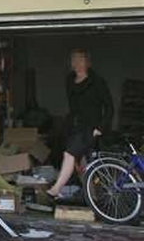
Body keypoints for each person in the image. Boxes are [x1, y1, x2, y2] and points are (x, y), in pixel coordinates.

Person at [47, 50, 112, 198]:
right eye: (73, 60)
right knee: (83, 165)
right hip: (74, 127)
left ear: (88, 63)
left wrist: (101, 128)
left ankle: (56, 188)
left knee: (69, 154)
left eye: (80, 60)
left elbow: (109, 107)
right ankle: (95, 198)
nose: (76, 63)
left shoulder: (97, 82)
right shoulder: (70, 80)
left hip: (90, 128)